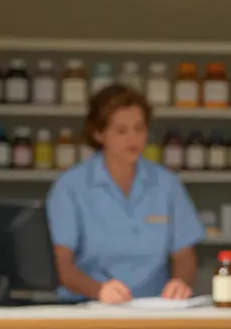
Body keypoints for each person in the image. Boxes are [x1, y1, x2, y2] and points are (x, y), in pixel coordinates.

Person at [45, 84, 206, 303]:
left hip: (153, 308)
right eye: (121, 130)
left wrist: (180, 283)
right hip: (86, 306)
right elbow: (61, 266)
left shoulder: (166, 184)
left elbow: (184, 256)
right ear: (99, 134)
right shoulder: (70, 187)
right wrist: (99, 291)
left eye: (139, 128)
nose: (133, 139)